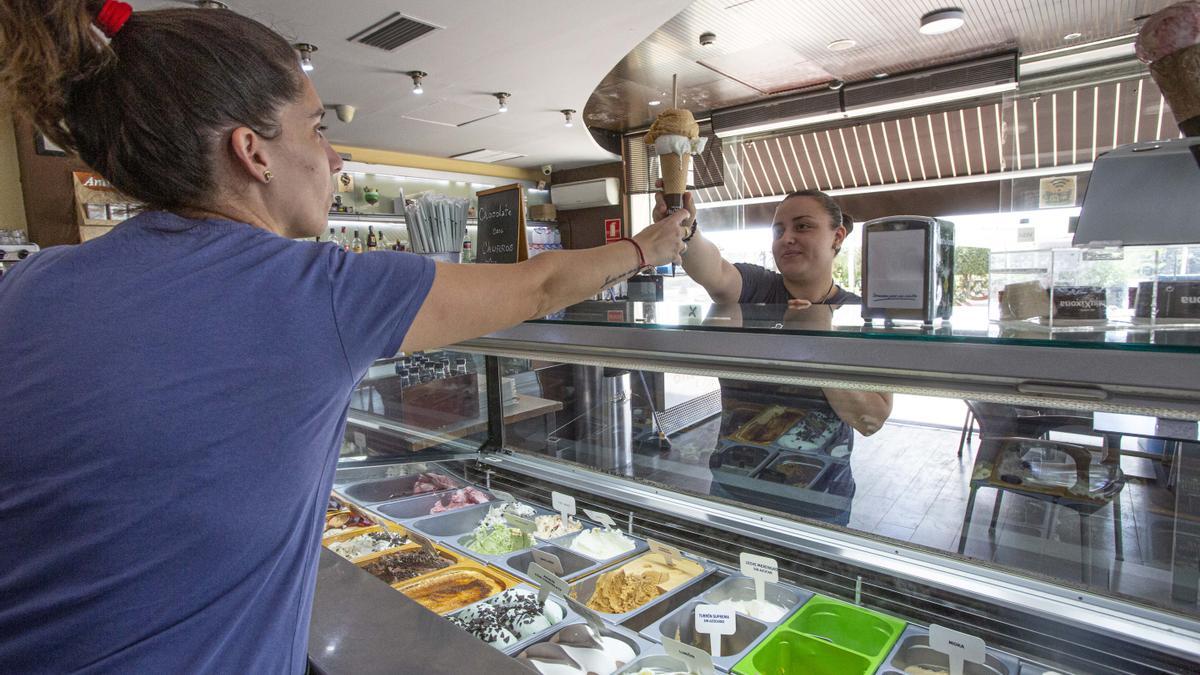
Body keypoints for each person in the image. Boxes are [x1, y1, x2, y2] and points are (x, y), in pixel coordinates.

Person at [0, 2, 687, 672]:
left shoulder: (28, 283)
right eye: (317, 128)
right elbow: (539, 286)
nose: (337, 159)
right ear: (252, 152)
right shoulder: (320, 290)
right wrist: (645, 247)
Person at [654, 187, 891, 525]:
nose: (787, 238)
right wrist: (687, 230)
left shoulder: (858, 314)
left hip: (819, 500)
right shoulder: (755, 288)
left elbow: (872, 419)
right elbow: (715, 271)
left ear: (837, 236)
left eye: (803, 227)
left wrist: (815, 344)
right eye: (779, 231)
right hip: (734, 490)